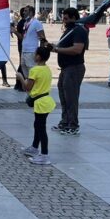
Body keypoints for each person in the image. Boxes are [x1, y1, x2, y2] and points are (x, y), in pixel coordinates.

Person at [47, 7, 88, 135]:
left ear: (74, 18)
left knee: (71, 98)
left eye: (66, 18)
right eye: (63, 18)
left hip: (74, 68)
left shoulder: (79, 30)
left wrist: (57, 50)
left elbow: (77, 49)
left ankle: (73, 125)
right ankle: (65, 122)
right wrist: (53, 46)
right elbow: (64, 45)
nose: (63, 21)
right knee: (63, 97)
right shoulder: (70, 30)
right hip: (65, 68)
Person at [18, 47, 57, 165]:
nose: (34, 56)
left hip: (41, 102)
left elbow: (27, 87)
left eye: (35, 54)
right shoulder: (47, 69)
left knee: (41, 128)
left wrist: (20, 78)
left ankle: (44, 155)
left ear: (39, 57)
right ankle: (34, 147)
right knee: (38, 125)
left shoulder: (35, 70)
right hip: (46, 100)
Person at [20, 6, 46, 80]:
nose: (23, 12)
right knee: (24, 69)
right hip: (24, 51)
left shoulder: (36, 23)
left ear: (31, 12)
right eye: (24, 11)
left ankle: (33, 88)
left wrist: (40, 53)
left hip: (32, 51)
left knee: (32, 72)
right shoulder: (26, 23)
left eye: (25, 11)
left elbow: (42, 38)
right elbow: (24, 37)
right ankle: (29, 88)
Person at [13, 8, 28, 91]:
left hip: (22, 46)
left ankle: (18, 84)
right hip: (23, 47)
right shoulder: (22, 23)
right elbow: (21, 37)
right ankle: (19, 84)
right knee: (23, 65)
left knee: (22, 65)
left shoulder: (23, 22)